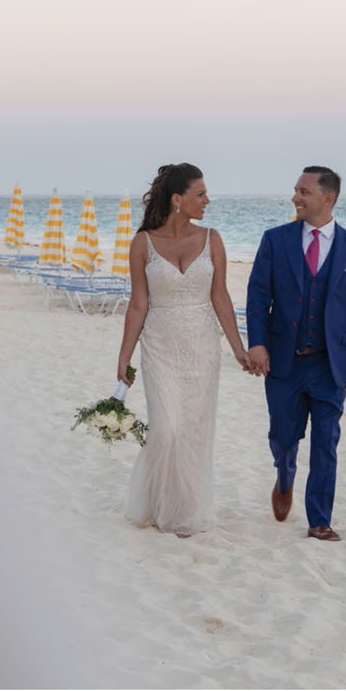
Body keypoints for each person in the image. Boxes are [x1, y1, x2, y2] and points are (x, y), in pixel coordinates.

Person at [244, 166, 346, 542]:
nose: (295, 197)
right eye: (296, 190)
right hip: (284, 360)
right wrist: (257, 343)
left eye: (304, 191)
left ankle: (319, 520)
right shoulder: (275, 241)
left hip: (330, 364)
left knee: (326, 441)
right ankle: (285, 474)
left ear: (327, 198)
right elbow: (258, 295)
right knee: (282, 437)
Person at [115, 163, 250, 538]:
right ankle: (156, 501)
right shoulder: (142, 243)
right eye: (201, 194)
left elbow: (220, 297)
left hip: (202, 346)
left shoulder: (213, 239)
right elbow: (138, 304)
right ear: (178, 199)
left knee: (192, 430)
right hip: (159, 345)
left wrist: (238, 348)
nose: (207, 200)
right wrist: (123, 357)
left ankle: (182, 511)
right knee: (166, 428)